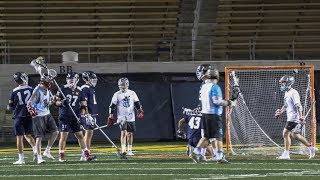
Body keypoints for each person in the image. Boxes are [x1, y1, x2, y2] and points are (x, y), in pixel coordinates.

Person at [189, 64, 238, 163]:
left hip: (205, 114)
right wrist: (230, 102)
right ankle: (219, 156)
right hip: (213, 115)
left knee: (207, 137)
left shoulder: (204, 86)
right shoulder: (214, 87)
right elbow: (217, 101)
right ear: (216, 76)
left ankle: (196, 151)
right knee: (218, 136)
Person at [53, 72, 95, 162]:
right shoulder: (63, 89)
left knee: (80, 135)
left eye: (72, 79)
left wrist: (82, 115)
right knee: (64, 136)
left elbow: (83, 105)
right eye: (69, 79)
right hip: (64, 116)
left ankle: (86, 154)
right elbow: (55, 102)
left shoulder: (79, 90)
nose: (70, 81)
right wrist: (62, 103)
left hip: (75, 116)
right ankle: (61, 155)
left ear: (77, 80)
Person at [274, 75, 317, 159]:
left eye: (283, 82)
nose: (282, 84)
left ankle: (286, 154)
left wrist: (300, 117)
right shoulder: (287, 92)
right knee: (295, 135)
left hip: (294, 117)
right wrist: (280, 112)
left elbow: (298, 105)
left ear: (289, 83)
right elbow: (286, 105)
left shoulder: (294, 92)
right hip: (291, 117)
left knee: (285, 133)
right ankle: (311, 147)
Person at [27, 74, 59, 164]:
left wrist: (53, 101)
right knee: (39, 137)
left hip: (47, 114)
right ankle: (39, 157)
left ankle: (47, 151)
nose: (51, 84)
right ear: (45, 83)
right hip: (39, 116)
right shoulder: (37, 91)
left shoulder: (47, 90)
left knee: (56, 132)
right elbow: (29, 103)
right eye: (49, 82)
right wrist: (31, 110)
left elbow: (46, 104)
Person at [108, 77, 144, 156]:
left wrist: (139, 111)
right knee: (123, 132)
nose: (121, 87)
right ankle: (124, 150)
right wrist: (111, 116)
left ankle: (130, 150)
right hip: (122, 117)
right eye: (120, 86)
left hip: (130, 116)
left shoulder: (132, 93)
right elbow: (112, 106)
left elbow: (137, 103)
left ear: (127, 84)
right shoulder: (117, 94)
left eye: (122, 85)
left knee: (130, 133)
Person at [7, 72, 37, 165]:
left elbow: (10, 105)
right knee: (28, 135)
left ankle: (21, 159)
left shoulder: (15, 90)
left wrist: (11, 108)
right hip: (29, 115)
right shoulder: (32, 89)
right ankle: (35, 150)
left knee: (19, 138)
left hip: (19, 115)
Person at [80, 71, 98, 161]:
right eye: (92, 79)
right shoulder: (85, 88)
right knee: (88, 133)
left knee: (89, 134)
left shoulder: (90, 88)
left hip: (92, 113)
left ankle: (86, 153)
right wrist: (87, 115)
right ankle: (85, 154)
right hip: (88, 114)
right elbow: (84, 103)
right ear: (86, 79)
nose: (94, 80)